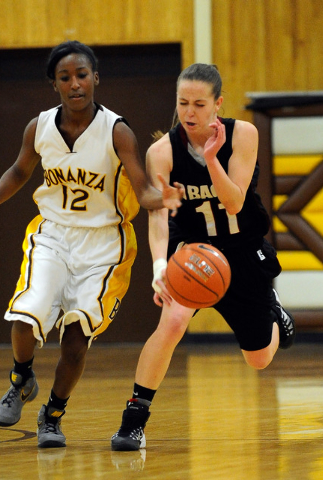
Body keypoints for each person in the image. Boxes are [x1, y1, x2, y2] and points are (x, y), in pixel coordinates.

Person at [0, 40, 184, 448]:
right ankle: (21, 377)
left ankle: (53, 415)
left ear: (95, 78)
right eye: (65, 77)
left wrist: (164, 196)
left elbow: (142, 187)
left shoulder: (118, 130)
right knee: (24, 315)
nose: (75, 83)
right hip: (54, 233)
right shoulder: (40, 126)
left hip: (104, 245)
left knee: (77, 340)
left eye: (82, 75)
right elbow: (18, 169)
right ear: (54, 84)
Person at [111, 63, 296, 451]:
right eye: (182, 104)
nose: (189, 113)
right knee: (173, 321)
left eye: (198, 104)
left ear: (218, 104)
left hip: (242, 248)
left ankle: (275, 314)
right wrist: (160, 266)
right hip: (192, 250)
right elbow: (159, 215)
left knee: (259, 360)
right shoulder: (162, 152)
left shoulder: (243, 134)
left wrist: (211, 159)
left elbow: (233, 201)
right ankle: (133, 422)